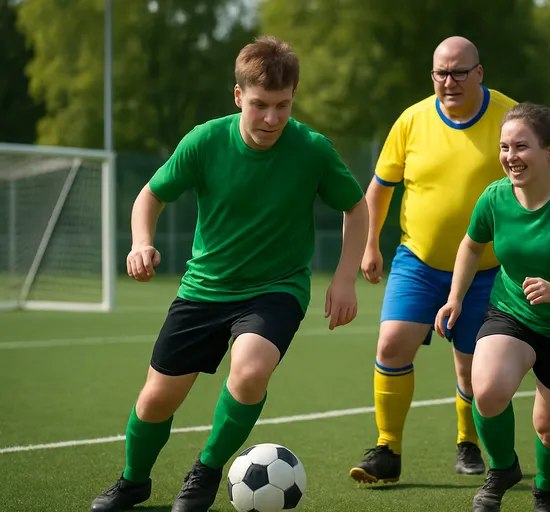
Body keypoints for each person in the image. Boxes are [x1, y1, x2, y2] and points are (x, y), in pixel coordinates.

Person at [90, 36, 369, 512]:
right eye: (260, 105)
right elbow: (150, 196)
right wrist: (141, 242)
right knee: (156, 399)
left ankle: (206, 469)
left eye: (283, 106)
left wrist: (345, 277)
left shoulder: (312, 150)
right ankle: (133, 481)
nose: (272, 119)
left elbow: (356, 207)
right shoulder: (204, 141)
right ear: (238, 95)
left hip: (275, 289)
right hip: (204, 289)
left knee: (251, 369)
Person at [348, 36, 518, 484]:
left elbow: (543, 181)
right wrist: (370, 244)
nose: (450, 81)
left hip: (488, 269)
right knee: (390, 346)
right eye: (441, 73)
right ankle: (387, 449)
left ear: (480, 73)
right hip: (418, 262)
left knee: (471, 365)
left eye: (460, 72)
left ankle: (468, 442)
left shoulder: (510, 118)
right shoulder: (412, 120)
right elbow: (381, 187)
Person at [435, 102, 550, 512]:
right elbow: (471, 244)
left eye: (521, 147)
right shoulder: (495, 197)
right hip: (512, 312)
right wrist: (455, 297)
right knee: (487, 389)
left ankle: (548, 487)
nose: (510, 157)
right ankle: (502, 469)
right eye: (504, 147)